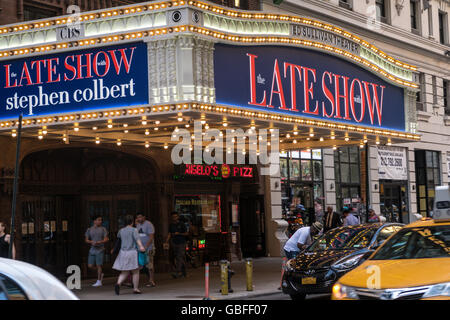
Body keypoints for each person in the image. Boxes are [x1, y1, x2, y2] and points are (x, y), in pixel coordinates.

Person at [113, 216, 146, 295]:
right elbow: (137, 239)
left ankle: (118, 283)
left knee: (124, 272)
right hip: (132, 253)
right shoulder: (134, 230)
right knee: (135, 271)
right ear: (132, 222)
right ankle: (135, 288)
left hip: (123, 253)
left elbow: (119, 240)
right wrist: (141, 247)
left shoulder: (121, 230)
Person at [85, 215, 109, 287]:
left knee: (99, 265)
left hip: (100, 249)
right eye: (98, 220)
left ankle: (99, 281)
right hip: (92, 249)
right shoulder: (89, 229)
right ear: (94, 221)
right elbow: (86, 239)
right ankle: (100, 273)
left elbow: (106, 239)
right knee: (90, 266)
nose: (100, 221)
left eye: (101, 220)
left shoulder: (103, 229)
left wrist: (100, 242)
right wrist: (91, 242)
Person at [165, 212, 189, 278]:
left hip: (181, 242)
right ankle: (184, 272)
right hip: (174, 242)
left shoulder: (182, 224)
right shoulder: (171, 225)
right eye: (173, 217)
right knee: (177, 257)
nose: (174, 218)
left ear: (178, 217)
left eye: (175, 216)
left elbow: (186, 233)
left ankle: (178, 272)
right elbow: (169, 233)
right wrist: (166, 241)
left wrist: (179, 233)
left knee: (179, 257)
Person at [135, 213, 156, 287]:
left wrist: (146, 246)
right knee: (139, 265)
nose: (139, 219)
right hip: (140, 248)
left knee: (149, 265)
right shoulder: (138, 225)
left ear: (144, 217)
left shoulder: (149, 224)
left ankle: (151, 281)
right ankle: (135, 282)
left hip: (148, 248)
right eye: (137, 217)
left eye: (140, 217)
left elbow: (151, 237)